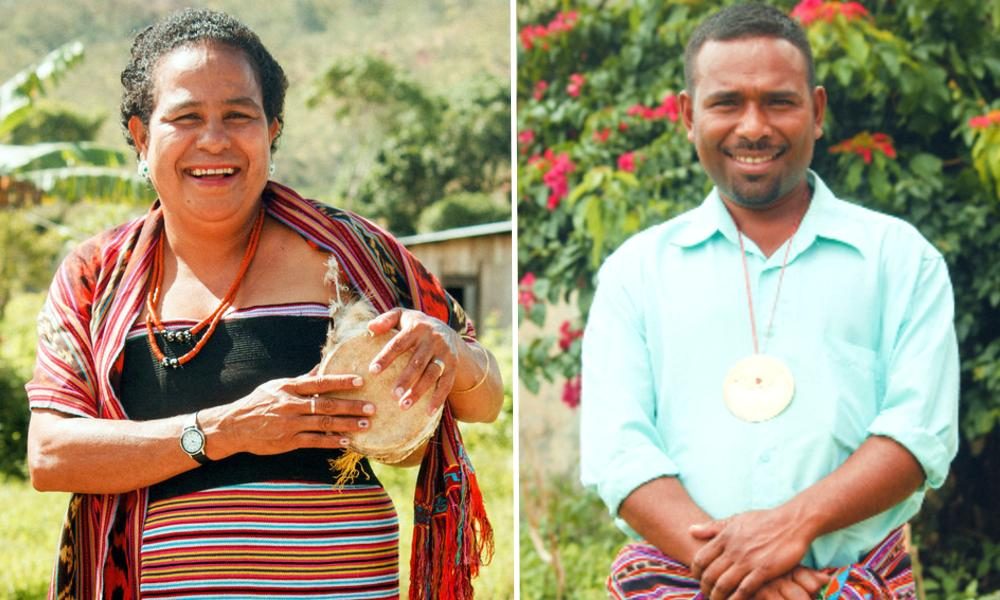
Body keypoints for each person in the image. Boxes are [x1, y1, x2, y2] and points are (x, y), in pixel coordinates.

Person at [25, 9, 502, 599]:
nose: (215, 139)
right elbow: (51, 455)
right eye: (186, 117)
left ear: (272, 129)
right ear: (143, 136)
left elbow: (485, 399)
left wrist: (451, 351)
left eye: (239, 115)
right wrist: (226, 431)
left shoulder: (353, 254)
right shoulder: (95, 277)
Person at [579, 4, 958, 599]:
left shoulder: (899, 260)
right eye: (726, 102)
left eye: (779, 101)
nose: (753, 127)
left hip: (850, 585)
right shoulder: (635, 272)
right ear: (687, 114)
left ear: (818, 112)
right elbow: (619, 452)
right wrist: (743, 574)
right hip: (683, 583)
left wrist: (789, 527)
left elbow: (918, 435)